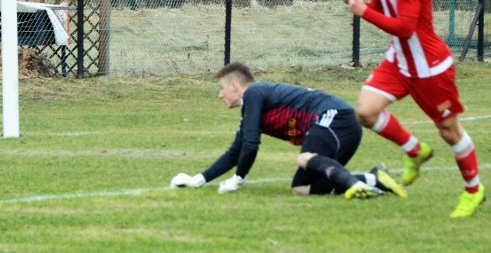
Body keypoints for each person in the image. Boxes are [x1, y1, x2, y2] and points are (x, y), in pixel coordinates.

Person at [339, 0, 485, 218]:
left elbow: (404, 27)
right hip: (399, 60)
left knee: (449, 131)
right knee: (365, 111)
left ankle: (473, 190)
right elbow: (379, 9)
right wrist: (357, 0)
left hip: (429, 67)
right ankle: (415, 150)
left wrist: (362, 11)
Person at [170, 62, 406, 199]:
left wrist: (238, 179)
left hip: (336, 117)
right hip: (342, 127)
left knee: (305, 157)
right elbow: (236, 151)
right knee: (301, 188)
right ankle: (373, 179)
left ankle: (357, 187)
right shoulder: (253, 107)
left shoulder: (253, 93)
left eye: (222, 88)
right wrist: (197, 181)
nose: (220, 95)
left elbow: (252, 144)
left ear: (234, 85)